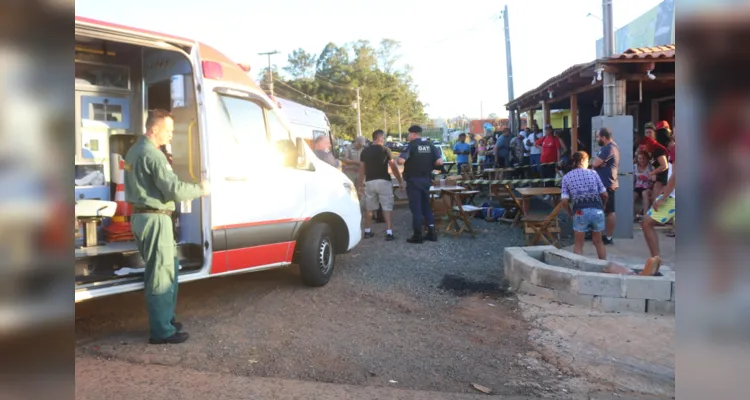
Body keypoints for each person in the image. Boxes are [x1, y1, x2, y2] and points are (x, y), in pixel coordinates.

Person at [124, 109, 210, 344]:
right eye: (168, 130)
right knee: (161, 276)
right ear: (154, 129)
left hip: (146, 217)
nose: (172, 135)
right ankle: (162, 332)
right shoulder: (153, 155)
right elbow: (173, 190)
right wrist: (201, 189)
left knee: (168, 269)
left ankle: (166, 320)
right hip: (155, 218)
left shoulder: (135, 150)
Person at [398, 125, 443, 243]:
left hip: (414, 181)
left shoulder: (410, 146)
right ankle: (432, 233)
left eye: (408, 134)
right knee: (426, 206)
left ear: (413, 134)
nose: (408, 137)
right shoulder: (430, 145)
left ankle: (417, 235)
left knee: (416, 208)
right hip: (426, 180)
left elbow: (400, 161)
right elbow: (439, 162)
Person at [560, 151, 608, 260]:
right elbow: (605, 194)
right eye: (587, 161)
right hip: (597, 210)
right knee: (598, 241)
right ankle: (604, 267)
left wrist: (570, 213)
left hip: (580, 212)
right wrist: (603, 206)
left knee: (578, 244)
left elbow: (564, 201)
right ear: (582, 161)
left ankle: (579, 270)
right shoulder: (593, 173)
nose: (588, 163)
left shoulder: (566, 177)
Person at [358, 130, 404, 241]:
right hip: (384, 182)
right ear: (379, 138)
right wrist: (400, 181)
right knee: (386, 207)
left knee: (369, 208)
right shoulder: (385, 150)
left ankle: (367, 231)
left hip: (369, 182)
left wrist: (360, 185)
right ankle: (389, 232)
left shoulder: (364, 151)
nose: (383, 141)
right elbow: (393, 167)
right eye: (383, 138)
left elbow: (362, 169)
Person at [640, 160, 675, 273]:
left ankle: (656, 261)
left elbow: (676, 176)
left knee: (647, 222)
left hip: (673, 197)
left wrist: (663, 198)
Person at [591, 127, 620, 245]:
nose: (596, 139)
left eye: (598, 137)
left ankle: (608, 237)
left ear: (604, 137)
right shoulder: (610, 147)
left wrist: (595, 163)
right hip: (605, 183)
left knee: (609, 211)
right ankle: (601, 235)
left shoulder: (609, 148)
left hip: (606, 184)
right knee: (602, 210)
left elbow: (595, 163)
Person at [633, 150, 654, 221]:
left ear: (647, 158)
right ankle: (635, 215)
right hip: (637, 187)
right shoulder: (634, 167)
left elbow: (654, 180)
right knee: (632, 196)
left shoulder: (650, 167)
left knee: (644, 193)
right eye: (640, 158)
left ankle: (646, 216)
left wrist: (647, 178)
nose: (642, 160)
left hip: (647, 187)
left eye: (643, 158)